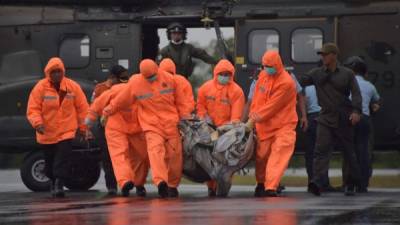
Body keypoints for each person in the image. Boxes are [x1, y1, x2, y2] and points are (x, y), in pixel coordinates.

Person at [103, 59, 193, 198]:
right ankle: (161, 182)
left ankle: (172, 185)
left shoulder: (170, 79)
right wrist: (108, 111)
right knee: (155, 152)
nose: (151, 79)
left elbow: (182, 101)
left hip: (171, 124)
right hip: (151, 126)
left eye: (153, 76)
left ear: (158, 70)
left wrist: (185, 118)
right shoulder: (135, 82)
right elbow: (121, 100)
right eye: (148, 78)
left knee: (174, 157)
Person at [299, 43, 362, 196]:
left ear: (334, 55)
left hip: (343, 116)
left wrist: (356, 111)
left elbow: (356, 93)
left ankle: (350, 183)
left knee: (348, 152)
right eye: (322, 54)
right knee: (320, 151)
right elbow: (299, 83)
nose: (323, 57)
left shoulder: (347, 74)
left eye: (326, 54)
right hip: (325, 117)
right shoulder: (316, 73)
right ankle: (317, 182)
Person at [26, 57, 89, 197]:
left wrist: (84, 128)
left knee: (62, 159)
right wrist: (38, 124)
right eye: (53, 72)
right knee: (49, 163)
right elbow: (33, 109)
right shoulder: (40, 87)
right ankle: (53, 181)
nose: (56, 74)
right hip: (46, 132)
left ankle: (59, 184)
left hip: (66, 131)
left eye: (59, 71)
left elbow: (83, 109)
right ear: (48, 73)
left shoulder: (72, 87)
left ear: (63, 72)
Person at [246, 51, 298, 197]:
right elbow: (257, 99)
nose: (267, 68)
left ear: (277, 64)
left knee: (278, 154)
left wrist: (254, 119)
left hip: (284, 124)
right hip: (264, 125)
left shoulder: (287, 83)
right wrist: (252, 116)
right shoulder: (263, 76)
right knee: (261, 156)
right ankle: (261, 183)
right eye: (265, 66)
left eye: (270, 66)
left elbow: (272, 106)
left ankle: (271, 187)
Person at [86, 82, 149, 197]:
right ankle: (136, 184)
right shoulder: (139, 90)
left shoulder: (112, 92)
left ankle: (126, 182)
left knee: (119, 156)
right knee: (140, 157)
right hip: (125, 127)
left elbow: (95, 107)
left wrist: (88, 124)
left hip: (127, 127)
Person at [196, 59, 245, 197]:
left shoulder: (236, 91)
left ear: (232, 74)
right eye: (222, 73)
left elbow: (236, 116)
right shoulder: (205, 88)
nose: (225, 76)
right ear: (216, 73)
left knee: (225, 160)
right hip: (209, 129)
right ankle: (211, 187)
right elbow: (200, 105)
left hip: (226, 132)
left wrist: (228, 128)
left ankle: (222, 186)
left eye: (227, 74)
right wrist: (204, 117)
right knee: (208, 160)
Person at [90, 65, 129, 195]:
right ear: (113, 77)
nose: (124, 80)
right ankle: (112, 186)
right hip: (104, 127)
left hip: (123, 126)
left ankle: (125, 182)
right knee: (108, 157)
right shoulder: (100, 89)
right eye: (121, 78)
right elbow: (94, 107)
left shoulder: (126, 87)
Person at [344, 56, 381, 193]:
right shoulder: (370, 86)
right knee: (363, 151)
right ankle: (363, 184)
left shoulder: (346, 83)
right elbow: (376, 101)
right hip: (364, 118)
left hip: (349, 118)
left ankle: (349, 183)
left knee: (349, 151)